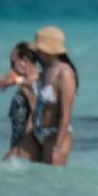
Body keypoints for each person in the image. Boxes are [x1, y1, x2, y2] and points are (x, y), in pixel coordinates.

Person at [29, 26, 79, 167]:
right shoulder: (46, 69)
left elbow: (66, 114)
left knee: (51, 182)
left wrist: (57, 147)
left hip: (56, 135)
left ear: (47, 50)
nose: (36, 52)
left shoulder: (65, 74)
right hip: (38, 132)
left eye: (38, 49)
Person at [0, 42, 40, 161]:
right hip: (22, 138)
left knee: (9, 163)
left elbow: (34, 108)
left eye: (13, 62)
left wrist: (28, 133)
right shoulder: (30, 79)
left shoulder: (33, 82)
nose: (11, 66)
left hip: (24, 138)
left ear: (24, 61)